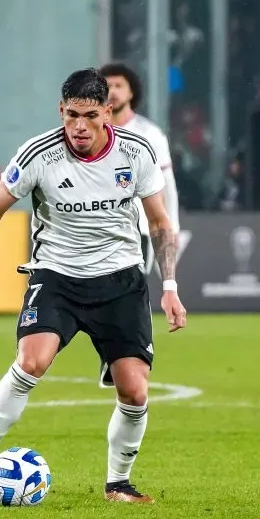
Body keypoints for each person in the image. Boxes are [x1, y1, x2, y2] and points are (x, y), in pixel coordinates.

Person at [0, 68, 186, 504]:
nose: (79, 127)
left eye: (88, 115)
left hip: (120, 281)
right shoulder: (38, 155)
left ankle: (118, 482)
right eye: (70, 115)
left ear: (107, 111)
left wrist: (171, 285)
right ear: (60, 111)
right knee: (31, 361)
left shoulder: (136, 152)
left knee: (134, 390)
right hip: (56, 277)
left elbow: (159, 223)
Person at [98, 63, 180, 389]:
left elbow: (167, 187)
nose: (112, 90)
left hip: (140, 230)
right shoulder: (91, 131)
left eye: (119, 84)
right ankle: (115, 352)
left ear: (131, 92)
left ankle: (129, 354)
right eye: (106, 85)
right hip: (99, 226)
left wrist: (171, 229)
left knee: (129, 290)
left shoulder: (150, 135)